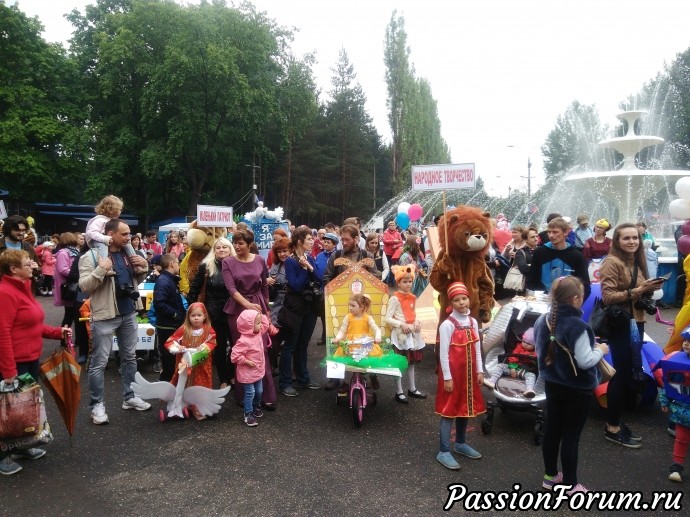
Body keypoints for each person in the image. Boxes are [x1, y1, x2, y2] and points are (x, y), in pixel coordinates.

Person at [534, 275, 608, 494]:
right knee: (571, 436)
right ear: (576, 299)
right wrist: (600, 350)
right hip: (578, 390)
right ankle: (571, 484)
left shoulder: (543, 320)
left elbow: (539, 351)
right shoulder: (579, 327)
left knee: (552, 431)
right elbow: (585, 361)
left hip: (552, 384)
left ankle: (550, 477)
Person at [0, 250, 71, 476]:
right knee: (8, 410)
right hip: (16, 363)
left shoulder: (23, 287)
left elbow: (32, 325)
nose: (32, 264)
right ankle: (2, 455)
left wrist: (57, 332)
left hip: (30, 359)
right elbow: (3, 333)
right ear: (13, 269)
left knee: (25, 408)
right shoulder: (5, 292)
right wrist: (9, 370)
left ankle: (21, 446)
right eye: (27, 262)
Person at [78, 219, 151, 425]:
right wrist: (100, 269)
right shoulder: (91, 256)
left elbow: (135, 281)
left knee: (130, 357)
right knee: (99, 362)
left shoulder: (129, 254)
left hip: (128, 312)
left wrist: (142, 268)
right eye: (125, 234)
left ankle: (130, 397)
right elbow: (84, 286)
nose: (130, 237)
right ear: (110, 234)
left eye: (129, 234)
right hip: (104, 315)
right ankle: (97, 405)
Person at [599, 223, 664, 447]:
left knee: (629, 375)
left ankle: (615, 421)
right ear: (617, 241)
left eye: (635, 238)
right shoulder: (611, 262)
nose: (632, 242)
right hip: (621, 325)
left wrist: (649, 288)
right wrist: (639, 289)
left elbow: (635, 293)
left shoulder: (636, 261)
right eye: (626, 238)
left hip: (636, 323)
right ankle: (612, 426)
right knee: (622, 375)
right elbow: (607, 297)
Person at [222, 229, 277, 407]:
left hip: (258, 305)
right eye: (235, 242)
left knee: (261, 350)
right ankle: (244, 395)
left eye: (240, 243)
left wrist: (266, 310)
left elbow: (264, 287)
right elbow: (231, 289)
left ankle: (266, 395)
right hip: (238, 309)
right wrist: (247, 305)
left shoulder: (260, 260)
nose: (236, 246)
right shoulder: (228, 262)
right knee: (242, 351)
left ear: (249, 244)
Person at [435, 282, 485, 470]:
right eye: (457, 300)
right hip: (452, 376)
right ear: (451, 302)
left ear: (469, 299)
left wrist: (480, 370)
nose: (462, 302)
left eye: (464, 298)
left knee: (466, 407)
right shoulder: (447, 325)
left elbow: (477, 349)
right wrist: (446, 377)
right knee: (449, 411)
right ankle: (444, 450)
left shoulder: (472, 322)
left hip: (469, 375)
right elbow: (443, 353)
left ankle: (461, 443)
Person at [277, 227, 322, 396]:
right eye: (309, 239)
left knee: (303, 345)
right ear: (299, 242)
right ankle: (285, 382)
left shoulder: (309, 257)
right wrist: (304, 269)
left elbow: (318, 279)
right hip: (295, 308)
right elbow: (295, 286)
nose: (312, 241)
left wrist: (309, 267)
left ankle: (304, 378)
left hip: (310, 307)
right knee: (290, 345)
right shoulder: (290, 261)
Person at [188, 237, 235, 389]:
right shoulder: (206, 266)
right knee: (219, 347)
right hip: (214, 313)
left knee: (236, 345)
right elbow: (194, 288)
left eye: (224, 247)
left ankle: (232, 374)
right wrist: (192, 311)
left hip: (233, 312)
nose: (221, 250)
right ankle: (223, 378)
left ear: (230, 249)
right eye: (218, 247)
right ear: (214, 250)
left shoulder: (236, 265)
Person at [164, 302, 216, 420]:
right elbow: (170, 341)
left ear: (204, 316)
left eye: (199, 315)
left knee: (200, 384)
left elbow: (212, 342)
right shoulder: (183, 329)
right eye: (193, 316)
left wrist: (203, 348)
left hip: (201, 363)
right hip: (185, 363)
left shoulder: (208, 330)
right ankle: (184, 404)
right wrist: (178, 347)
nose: (196, 318)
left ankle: (199, 407)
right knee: (184, 383)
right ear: (188, 317)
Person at [385, 264, 426, 403]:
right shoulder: (394, 298)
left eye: (410, 281)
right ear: (398, 282)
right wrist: (401, 324)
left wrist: (417, 321)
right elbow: (388, 318)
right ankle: (399, 391)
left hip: (412, 335)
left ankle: (412, 388)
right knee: (399, 363)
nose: (408, 284)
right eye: (405, 281)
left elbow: (413, 314)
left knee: (411, 363)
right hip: (400, 335)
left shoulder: (413, 297)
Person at [231, 309, 276, 427]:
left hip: (258, 371)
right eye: (257, 323)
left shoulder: (257, 333)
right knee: (250, 392)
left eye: (260, 323)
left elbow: (265, 324)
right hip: (247, 373)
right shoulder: (243, 340)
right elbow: (234, 356)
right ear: (248, 325)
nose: (261, 325)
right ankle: (248, 413)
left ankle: (256, 406)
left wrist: (261, 315)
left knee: (259, 391)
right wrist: (246, 361)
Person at [526, 217, 591, 299]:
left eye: (555, 232)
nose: (551, 235)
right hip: (541, 301)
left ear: (566, 232)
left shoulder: (576, 256)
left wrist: (574, 305)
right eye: (549, 232)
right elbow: (531, 280)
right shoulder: (540, 252)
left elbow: (585, 286)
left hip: (567, 303)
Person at [658, 329, 690, 482]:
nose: (686, 344)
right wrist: (665, 400)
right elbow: (668, 383)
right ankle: (676, 467)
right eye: (685, 341)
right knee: (681, 439)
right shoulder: (676, 362)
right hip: (682, 411)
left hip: (682, 409)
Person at [153, 253, 186, 383]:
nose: (179, 265)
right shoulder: (164, 281)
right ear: (172, 263)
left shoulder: (169, 280)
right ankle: (166, 386)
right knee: (168, 358)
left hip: (171, 324)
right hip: (167, 326)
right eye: (178, 262)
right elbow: (159, 303)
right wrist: (176, 314)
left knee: (171, 357)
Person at [84, 195, 138, 270]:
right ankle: (104, 266)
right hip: (97, 240)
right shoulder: (98, 220)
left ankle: (135, 264)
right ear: (112, 209)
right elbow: (92, 233)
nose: (120, 212)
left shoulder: (112, 221)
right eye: (119, 209)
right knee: (103, 246)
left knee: (128, 244)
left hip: (107, 240)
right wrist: (104, 239)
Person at [486, 328, 538, 398]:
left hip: (525, 371)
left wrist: (533, 357)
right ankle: (492, 381)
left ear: (535, 345)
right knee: (501, 366)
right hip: (513, 368)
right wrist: (513, 368)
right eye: (524, 341)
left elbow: (536, 362)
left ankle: (529, 390)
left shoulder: (536, 352)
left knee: (532, 376)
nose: (525, 344)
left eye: (529, 343)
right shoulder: (519, 346)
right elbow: (513, 357)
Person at [267, 237, 290, 370]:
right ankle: (272, 364)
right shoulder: (275, 266)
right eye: (279, 251)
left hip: (292, 304)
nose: (282, 254)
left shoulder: (296, 263)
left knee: (290, 340)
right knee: (274, 334)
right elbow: (271, 291)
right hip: (278, 305)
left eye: (285, 251)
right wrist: (269, 282)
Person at [313, 232, 338, 346]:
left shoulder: (338, 256)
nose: (325, 244)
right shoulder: (319, 256)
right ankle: (324, 336)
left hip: (335, 289)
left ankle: (336, 336)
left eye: (329, 242)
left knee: (335, 313)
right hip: (322, 289)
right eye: (325, 241)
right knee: (324, 315)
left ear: (335, 244)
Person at [53, 232, 81, 330]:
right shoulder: (64, 253)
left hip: (74, 286)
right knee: (69, 315)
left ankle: (74, 340)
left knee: (75, 314)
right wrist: (77, 274)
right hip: (69, 287)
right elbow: (63, 269)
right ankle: (64, 340)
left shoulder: (73, 251)